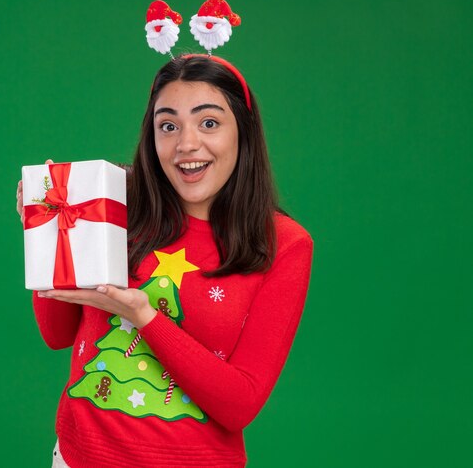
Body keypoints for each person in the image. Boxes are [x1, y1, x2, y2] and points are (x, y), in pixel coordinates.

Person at [16, 54, 314, 468]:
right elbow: (57, 333)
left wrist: (145, 317)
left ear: (243, 131)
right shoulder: (115, 199)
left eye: (208, 122)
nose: (186, 144)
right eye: (168, 126)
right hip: (77, 457)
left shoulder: (284, 243)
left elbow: (240, 404)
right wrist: (49, 231)